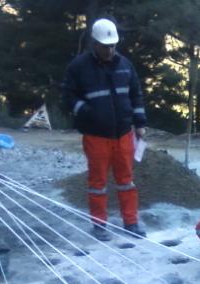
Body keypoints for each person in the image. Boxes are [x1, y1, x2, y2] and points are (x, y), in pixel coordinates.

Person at [62, 18, 147, 241]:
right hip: (96, 135)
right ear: (94, 43)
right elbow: (68, 97)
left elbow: (135, 94)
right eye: (105, 46)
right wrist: (87, 112)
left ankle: (131, 222)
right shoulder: (78, 67)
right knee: (97, 183)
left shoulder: (126, 66)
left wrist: (140, 124)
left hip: (123, 134)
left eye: (112, 45)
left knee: (126, 181)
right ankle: (99, 225)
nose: (109, 50)